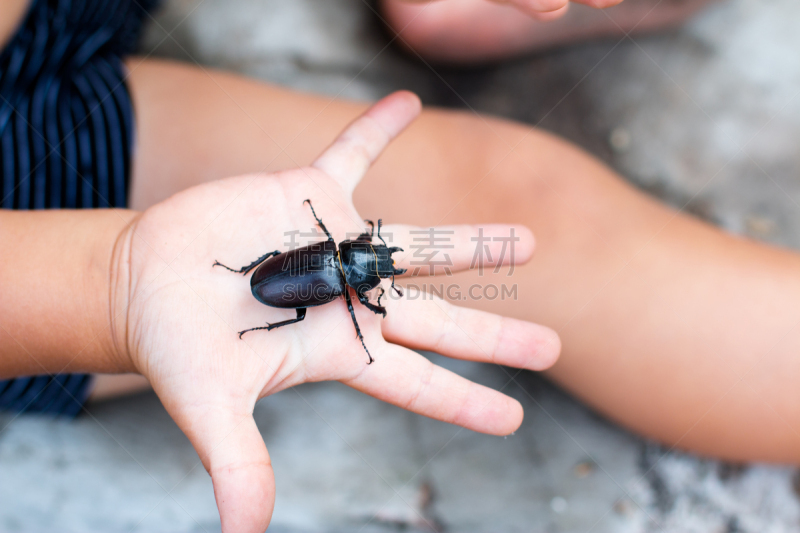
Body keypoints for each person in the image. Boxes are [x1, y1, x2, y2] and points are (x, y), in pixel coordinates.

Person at [3, 0, 798, 531]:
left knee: (505, 187)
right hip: (40, 216)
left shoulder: (347, 274)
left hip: (46, 42)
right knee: (541, 226)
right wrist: (112, 284)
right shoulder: (350, 277)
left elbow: (322, 272)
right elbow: (318, 279)